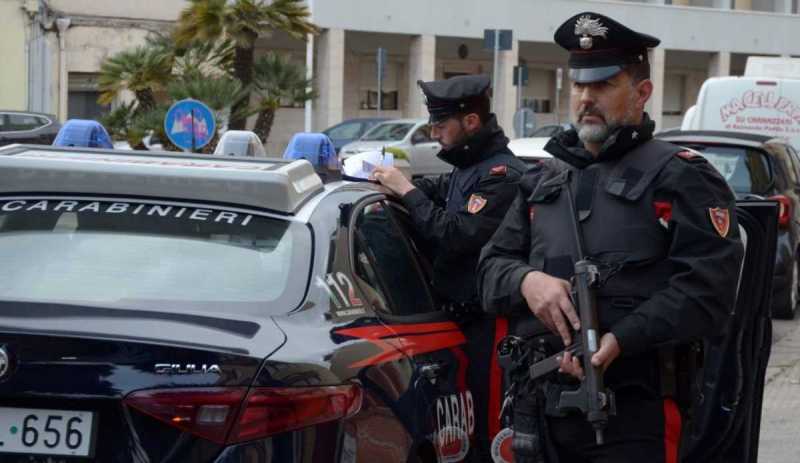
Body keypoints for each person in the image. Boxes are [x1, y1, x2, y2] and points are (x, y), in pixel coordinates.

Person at [477, 12, 744, 463]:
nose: (586, 98)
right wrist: (527, 281)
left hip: (634, 413)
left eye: (603, 85)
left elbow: (708, 290)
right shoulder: (543, 180)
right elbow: (489, 269)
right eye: (579, 85)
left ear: (642, 93)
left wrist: (620, 338)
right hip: (541, 411)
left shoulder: (682, 178)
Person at [371, 74, 526, 460]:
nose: (434, 133)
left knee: (489, 428)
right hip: (453, 321)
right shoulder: (468, 167)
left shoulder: (501, 176)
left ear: (470, 122)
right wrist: (395, 186)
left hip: (488, 324)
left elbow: (455, 233)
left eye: (441, 125)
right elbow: (436, 190)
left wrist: (406, 190)